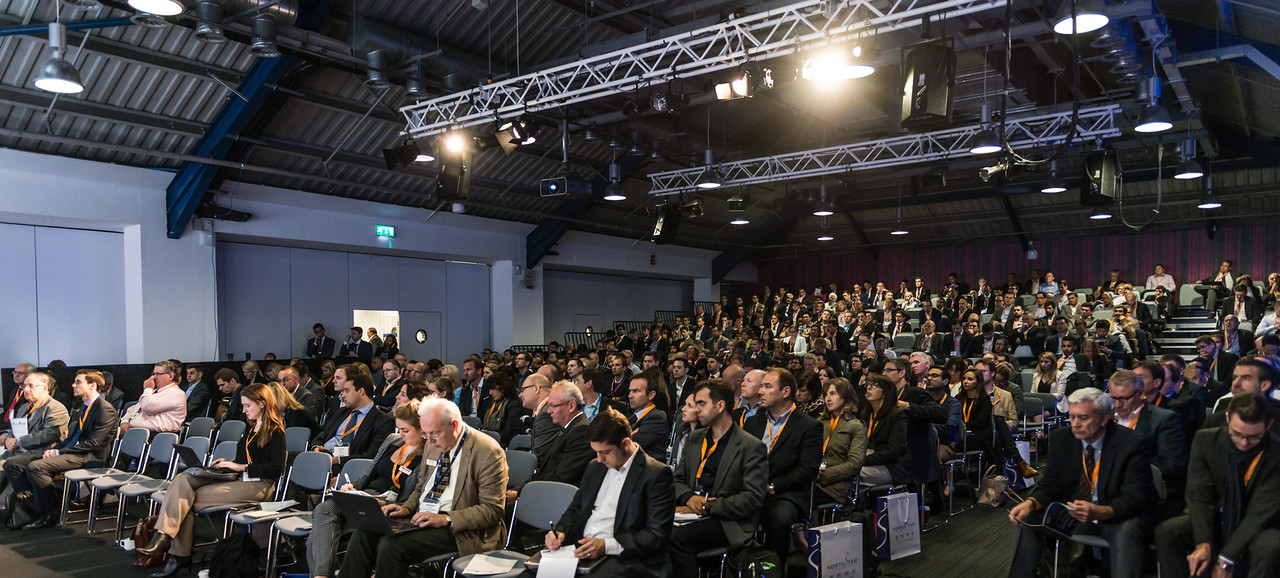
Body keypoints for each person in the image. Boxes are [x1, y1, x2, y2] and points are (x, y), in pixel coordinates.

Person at [339, 398, 508, 578]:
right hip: (423, 516)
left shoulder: (487, 452)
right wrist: (406, 507)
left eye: (434, 434)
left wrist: (446, 519)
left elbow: (492, 510)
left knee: (391, 546)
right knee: (364, 534)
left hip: (460, 528)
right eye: (426, 434)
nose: (430, 440)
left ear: (455, 425)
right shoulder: (432, 442)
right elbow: (421, 486)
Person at [135, 382, 286, 576]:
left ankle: (176, 553)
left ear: (263, 404)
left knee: (184, 499)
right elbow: (245, 458)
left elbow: (275, 468)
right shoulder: (252, 427)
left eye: (248, 405)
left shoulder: (275, 431)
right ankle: (164, 537)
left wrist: (240, 466)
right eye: (243, 405)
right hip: (241, 477)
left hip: (260, 485)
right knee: (183, 479)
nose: (244, 410)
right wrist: (229, 462)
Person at [1006, 388, 1155, 578]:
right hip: (1074, 510)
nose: (1075, 424)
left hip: (1114, 514)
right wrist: (1031, 502)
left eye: (1083, 418)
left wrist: (1102, 511)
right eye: (1072, 417)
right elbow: (1051, 483)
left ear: (1103, 418)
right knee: (1026, 517)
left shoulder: (1131, 443)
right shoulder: (1063, 438)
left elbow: (1136, 495)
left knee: (1127, 530)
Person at [1155, 393, 1280, 578]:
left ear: (1268, 426)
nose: (1244, 443)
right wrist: (1203, 542)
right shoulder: (1206, 440)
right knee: (1168, 532)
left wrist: (1226, 558)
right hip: (1215, 514)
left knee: (1271, 545)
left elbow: (1261, 512)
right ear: (1228, 418)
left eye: (1254, 437)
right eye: (1237, 434)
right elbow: (1199, 495)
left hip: (1258, 523)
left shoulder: (1275, 453)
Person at [546, 407, 675, 577]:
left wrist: (606, 545)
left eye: (605, 452)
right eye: (597, 452)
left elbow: (656, 535)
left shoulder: (656, 474)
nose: (599, 459)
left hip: (626, 557)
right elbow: (576, 509)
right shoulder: (595, 467)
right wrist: (560, 531)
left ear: (626, 444)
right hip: (583, 550)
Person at [306, 402, 425, 578]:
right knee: (323, 510)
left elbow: (414, 497)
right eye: (398, 428)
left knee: (314, 538)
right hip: (364, 495)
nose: (400, 434)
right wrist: (352, 487)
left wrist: (382, 502)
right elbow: (368, 475)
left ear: (422, 429)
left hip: (388, 504)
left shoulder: (428, 455)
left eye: (405, 430)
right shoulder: (393, 441)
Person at [668, 379, 768, 578]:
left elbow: (752, 499)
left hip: (727, 521)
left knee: (672, 538)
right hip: (689, 512)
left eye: (701, 404)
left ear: (720, 405)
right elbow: (677, 480)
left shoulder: (750, 446)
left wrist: (707, 506)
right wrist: (689, 498)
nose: (697, 409)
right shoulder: (694, 439)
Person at [5, 369, 118, 529]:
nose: (73, 385)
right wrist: (56, 449)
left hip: (89, 456)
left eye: (78, 382)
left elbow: (93, 444)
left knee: (36, 467)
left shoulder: (104, 409)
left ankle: (49, 513)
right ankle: (32, 506)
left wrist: (59, 452)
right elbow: (71, 439)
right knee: (12, 464)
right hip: (73, 452)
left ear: (92, 385)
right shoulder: (85, 407)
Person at [743, 369, 823, 568]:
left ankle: (773, 568)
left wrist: (772, 487)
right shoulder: (753, 422)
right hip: (750, 490)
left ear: (786, 391)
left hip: (786, 493)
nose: (761, 391)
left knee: (779, 519)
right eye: (761, 386)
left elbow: (807, 470)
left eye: (767, 386)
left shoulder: (808, 426)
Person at [309, 364, 394, 467]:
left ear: (361, 391)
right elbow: (322, 434)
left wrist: (337, 460)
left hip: (346, 465)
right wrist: (316, 447)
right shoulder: (341, 412)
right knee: (294, 458)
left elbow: (371, 455)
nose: (343, 395)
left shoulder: (383, 421)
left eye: (347, 391)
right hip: (324, 457)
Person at [0, 371, 68, 493]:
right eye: (24, 386)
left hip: (41, 452)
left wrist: (19, 442)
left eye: (30, 386)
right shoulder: (23, 408)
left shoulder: (55, 408)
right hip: (18, 450)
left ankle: (24, 499)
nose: (26, 389)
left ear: (45, 388)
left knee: (5, 465)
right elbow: (14, 428)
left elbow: (49, 435)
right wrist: (8, 439)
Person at [525, 381, 594, 486]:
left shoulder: (581, 431)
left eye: (553, 406)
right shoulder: (570, 428)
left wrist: (521, 491)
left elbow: (561, 477)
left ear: (571, 406)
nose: (549, 411)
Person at [815, 377, 866, 504]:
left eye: (832, 393)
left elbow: (854, 464)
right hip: (811, 480)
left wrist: (823, 475)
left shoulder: (856, 426)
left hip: (835, 487)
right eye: (826, 394)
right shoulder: (819, 422)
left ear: (845, 396)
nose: (828, 398)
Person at [859, 374, 908, 485]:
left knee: (850, 475)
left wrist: (862, 460)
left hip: (890, 466)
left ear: (885, 393)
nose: (869, 388)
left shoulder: (896, 416)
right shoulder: (865, 415)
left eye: (875, 386)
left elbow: (894, 451)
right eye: (868, 385)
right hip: (868, 458)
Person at [120, 360, 187, 435]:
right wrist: (125, 421)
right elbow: (132, 409)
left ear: (170, 376)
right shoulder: (154, 391)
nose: (153, 377)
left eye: (157, 374)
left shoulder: (176, 394)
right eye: (153, 373)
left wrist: (147, 388)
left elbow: (147, 407)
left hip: (159, 436)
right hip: (137, 432)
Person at [626, 372, 669, 462]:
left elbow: (628, 446)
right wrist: (629, 435)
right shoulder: (631, 418)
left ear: (651, 395)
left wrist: (625, 436)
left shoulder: (657, 418)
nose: (630, 396)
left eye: (636, 391)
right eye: (630, 391)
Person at [478, 371, 523, 447]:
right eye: (489, 389)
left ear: (503, 388)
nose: (490, 393)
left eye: (493, 389)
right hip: (488, 441)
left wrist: (490, 438)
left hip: (501, 444)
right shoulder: (492, 402)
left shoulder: (513, 405)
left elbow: (507, 432)